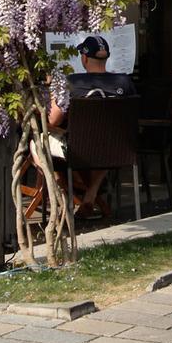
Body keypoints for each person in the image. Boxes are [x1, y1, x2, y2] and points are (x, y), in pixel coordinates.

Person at [47, 35, 137, 219]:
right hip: (117, 149)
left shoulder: (72, 83)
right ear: (107, 58)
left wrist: (51, 97)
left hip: (77, 150)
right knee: (105, 137)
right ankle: (90, 195)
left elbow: (52, 121)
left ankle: (63, 196)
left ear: (84, 58)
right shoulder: (125, 82)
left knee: (37, 143)